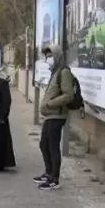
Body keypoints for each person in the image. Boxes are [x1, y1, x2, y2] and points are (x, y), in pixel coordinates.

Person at [34, 45, 74, 190]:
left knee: (52, 146)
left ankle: (54, 179)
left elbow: (69, 95)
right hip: (50, 115)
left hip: (57, 115)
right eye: (47, 56)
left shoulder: (64, 72)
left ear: (57, 56)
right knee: (44, 144)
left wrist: (51, 104)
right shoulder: (55, 72)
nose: (48, 59)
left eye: (50, 56)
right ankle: (48, 173)